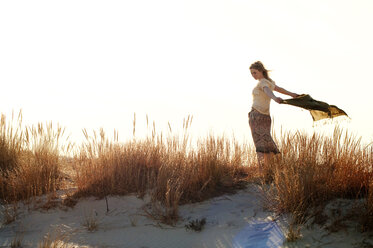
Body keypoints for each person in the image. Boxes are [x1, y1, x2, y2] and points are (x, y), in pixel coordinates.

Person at [249, 61, 299, 175]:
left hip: (257, 116)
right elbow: (278, 88)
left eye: (255, 72)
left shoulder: (263, 82)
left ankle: (263, 172)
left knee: (260, 143)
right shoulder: (268, 82)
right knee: (265, 142)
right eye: (252, 73)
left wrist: (276, 98)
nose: (253, 75)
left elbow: (268, 91)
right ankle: (267, 171)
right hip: (265, 116)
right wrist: (291, 94)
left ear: (261, 71)